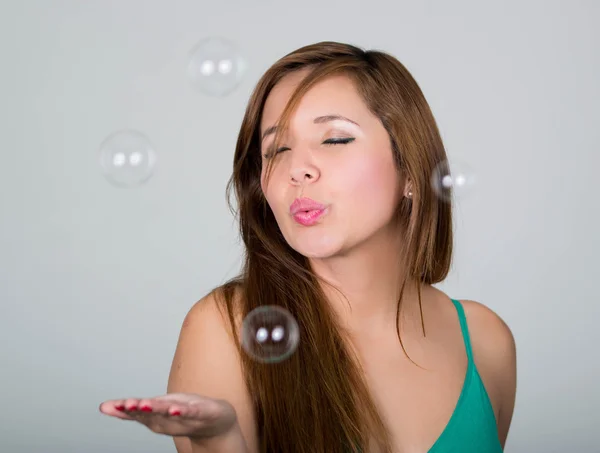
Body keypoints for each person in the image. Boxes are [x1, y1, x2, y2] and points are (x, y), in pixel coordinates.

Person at [99, 41, 517, 453]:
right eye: (276, 149)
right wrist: (219, 443)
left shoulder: (485, 342)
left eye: (335, 139)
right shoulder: (223, 329)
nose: (297, 168)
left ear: (410, 170)